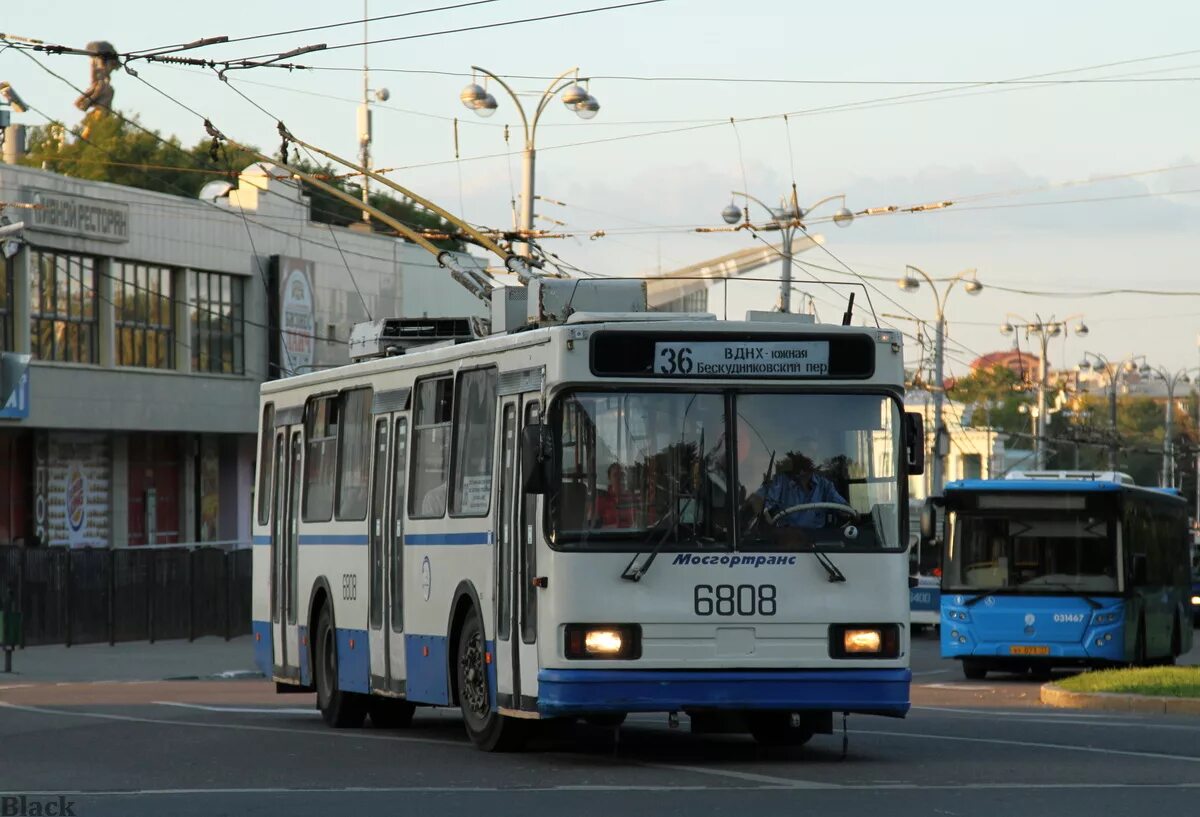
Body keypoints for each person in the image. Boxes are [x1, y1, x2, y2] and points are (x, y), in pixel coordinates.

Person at [744, 451, 849, 529]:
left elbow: (844, 508)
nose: (803, 465)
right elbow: (756, 500)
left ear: (814, 462)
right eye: (800, 459)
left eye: (809, 458)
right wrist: (767, 521)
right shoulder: (781, 482)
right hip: (787, 540)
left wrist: (847, 512)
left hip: (819, 540)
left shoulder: (824, 485)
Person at [595, 463, 636, 528]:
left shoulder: (634, 499)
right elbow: (593, 527)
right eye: (615, 475)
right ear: (609, 478)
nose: (620, 478)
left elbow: (647, 524)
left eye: (623, 474)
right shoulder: (601, 500)